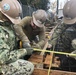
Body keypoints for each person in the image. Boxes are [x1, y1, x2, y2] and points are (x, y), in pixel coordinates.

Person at [0, 0, 34, 75]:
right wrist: (24, 51)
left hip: (6, 56)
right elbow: (4, 58)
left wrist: (20, 43)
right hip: (2, 61)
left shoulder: (7, 25)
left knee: (22, 59)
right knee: (28, 67)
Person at [49, 0, 76, 72]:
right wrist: (52, 42)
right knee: (63, 36)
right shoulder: (69, 15)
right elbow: (59, 30)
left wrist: (73, 54)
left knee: (74, 43)